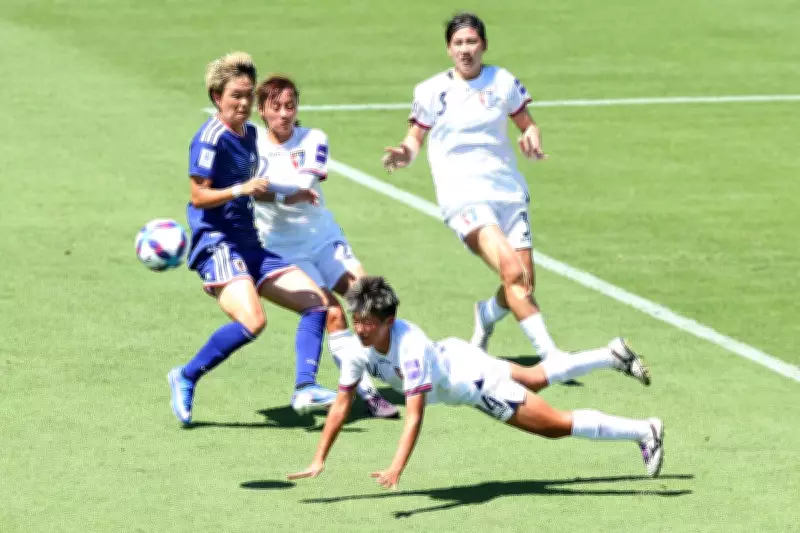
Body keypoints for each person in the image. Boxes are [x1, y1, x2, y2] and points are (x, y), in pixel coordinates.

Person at [288, 276, 664, 489]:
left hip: (478, 383)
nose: (360, 327)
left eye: (368, 321)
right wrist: (319, 458)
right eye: (358, 319)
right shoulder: (359, 347)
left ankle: (644, 431)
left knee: (555, 426)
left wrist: (396, 467)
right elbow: (341, 403)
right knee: (535, 377)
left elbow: (414, 416)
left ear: (389, 320)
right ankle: (610, 355)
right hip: (460, 356)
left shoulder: (410, 348)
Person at [382, 12, 575, 361]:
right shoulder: (431, 90)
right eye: (458, 43)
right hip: (463, 195)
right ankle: (551, 355)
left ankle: (486, 314)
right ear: (448, 49)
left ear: (483, 45)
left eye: (471, 42)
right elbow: (415, 138)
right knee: (512, 272)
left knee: (524, 282)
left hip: (507, 190)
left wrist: (532, 135)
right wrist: (404, 153)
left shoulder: (502, 81)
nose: (465, 49)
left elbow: (527, 124)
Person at [167, 52, 338, 425]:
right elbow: (199, 195)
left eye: (248, 95)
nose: (244, 104)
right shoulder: (210, 138)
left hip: (249, 244)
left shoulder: (248, 136)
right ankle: (186, 375)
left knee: (318, 303)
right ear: (217, 97)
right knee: (254, 321)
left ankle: (305, 388)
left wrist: (284, 194)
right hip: (216, 242)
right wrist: (239, 189)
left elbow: (256, 187)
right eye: (236, 97)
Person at [252, 75, 398, 419]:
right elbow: (260, 191)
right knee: (332, 312)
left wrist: (267, 188)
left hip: (323, 239)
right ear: (262, 111)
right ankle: (366, 390)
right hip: (284, 250)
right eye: (276, 108)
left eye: (290, 106)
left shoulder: (314, 138)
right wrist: (266, 190)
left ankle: (393, 367)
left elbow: (303, 182)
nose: (285, 114)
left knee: (371, 300)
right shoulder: (250, 146)